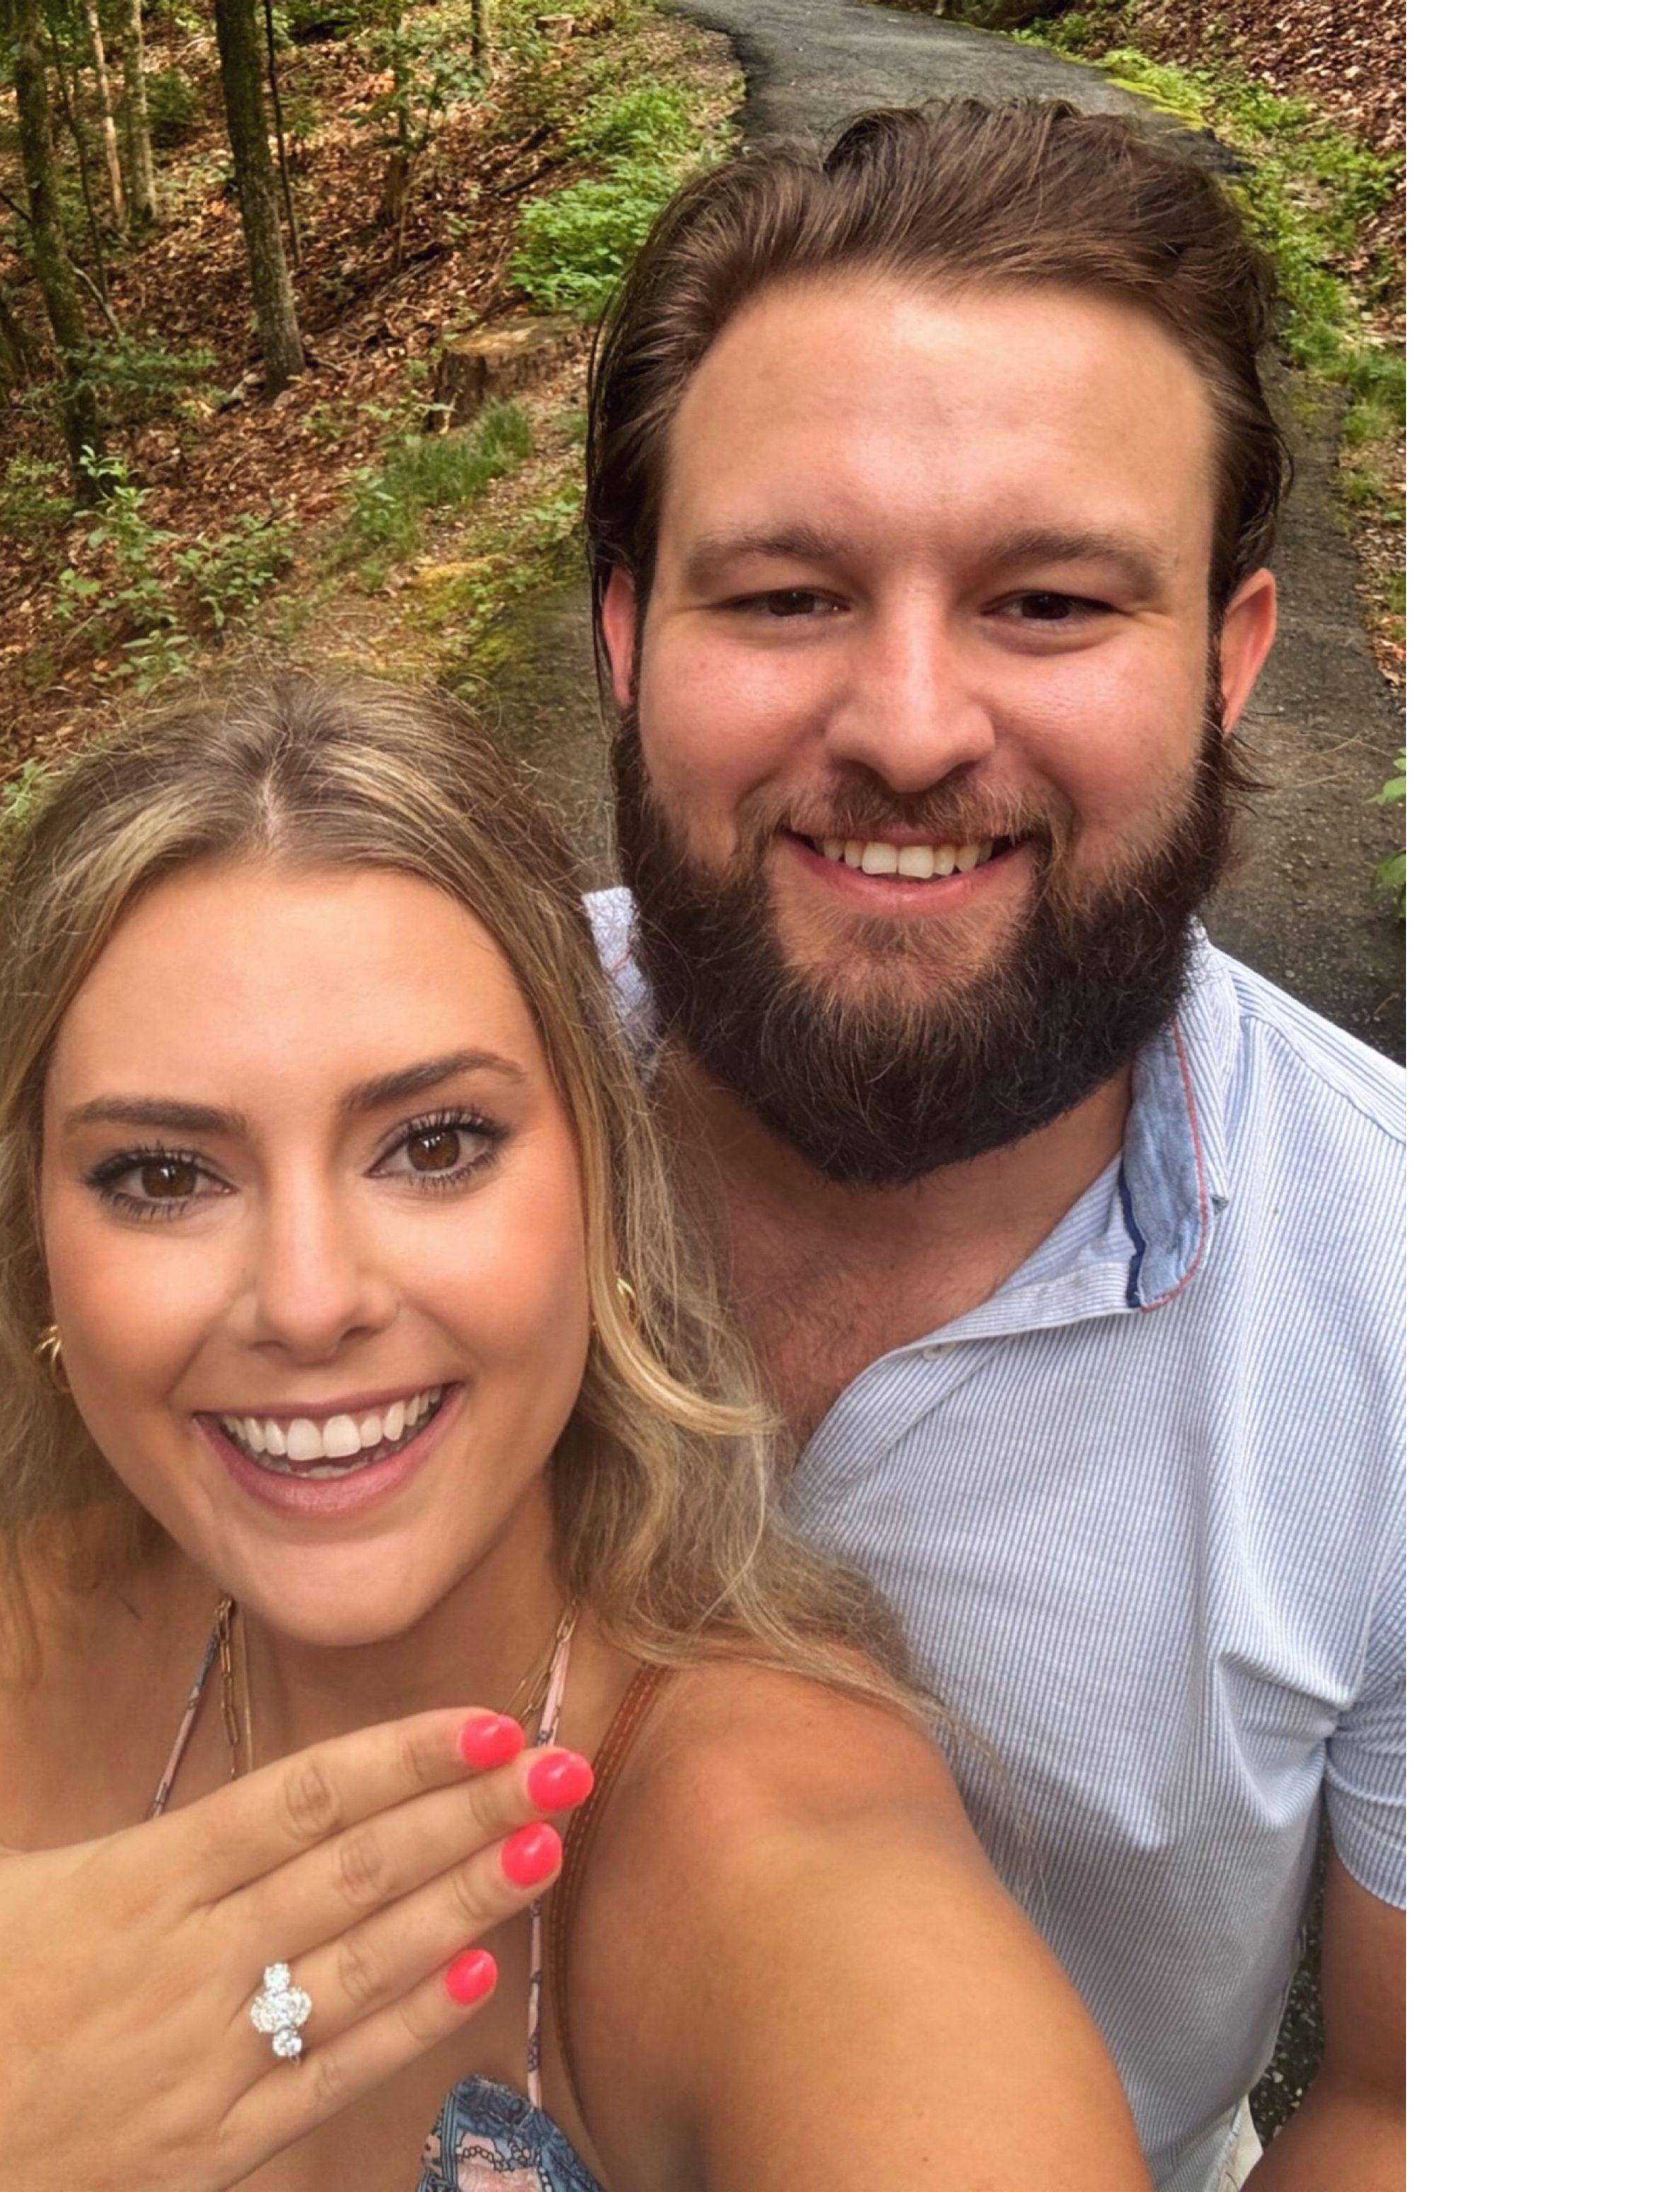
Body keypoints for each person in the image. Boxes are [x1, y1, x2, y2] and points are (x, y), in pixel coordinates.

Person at [0, 678, 1147, 2190]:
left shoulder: (797, 1889)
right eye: (161, 1174)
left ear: (602, 1192)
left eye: (433, 1144)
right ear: (36, 1248)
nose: (307, 1300)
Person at [581, 99, 1405, 2192]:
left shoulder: (1458, 1333)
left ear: (1229, 661)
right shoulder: (381, 1090)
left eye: (1045, 602)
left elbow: (1415, 2101)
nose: (909, 724)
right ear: (627, 638)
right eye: (786, 593)